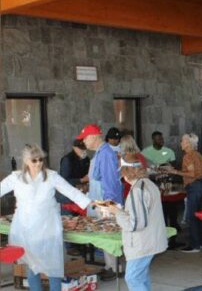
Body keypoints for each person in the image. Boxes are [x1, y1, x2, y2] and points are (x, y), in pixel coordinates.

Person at [0, 144, 92, 291]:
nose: (38, 163)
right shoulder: (16, 178)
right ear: (26, 161)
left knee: (53, 267)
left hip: (48, 227)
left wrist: (91, 203)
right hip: (26, 229)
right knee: (32, 267)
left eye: (40, 159)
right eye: (34, 160)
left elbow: (71, 192)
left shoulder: (51, 176)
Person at [108, 154, 168, 291]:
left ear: (127, 173)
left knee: (133, 278)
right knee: (141, 277)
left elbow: (135, 224)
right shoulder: (149, 184)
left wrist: (116, 212)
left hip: (142, 244)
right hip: (150, 241)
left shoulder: (137, 190)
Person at [77, 123, 123, 280]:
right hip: (99, 201)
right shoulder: (100, 153)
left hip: (106, 202)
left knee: (109, 236)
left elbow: (110, 181)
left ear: (94, 137)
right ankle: (110, 265)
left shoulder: (106, 154)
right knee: (104, 237)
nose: (83, 142)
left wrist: (107, 206)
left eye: (85, 138)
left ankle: (116, 268)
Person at [167, 134, 202, 253]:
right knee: (199, 215)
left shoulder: (188, 156)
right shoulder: (198, 154)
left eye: (182, 141)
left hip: (194, 185)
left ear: (188, 144)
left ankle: (195, 245)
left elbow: (192, 174)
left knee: (192, 217)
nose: (180, 143)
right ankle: (201, 242)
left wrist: (174, 171)